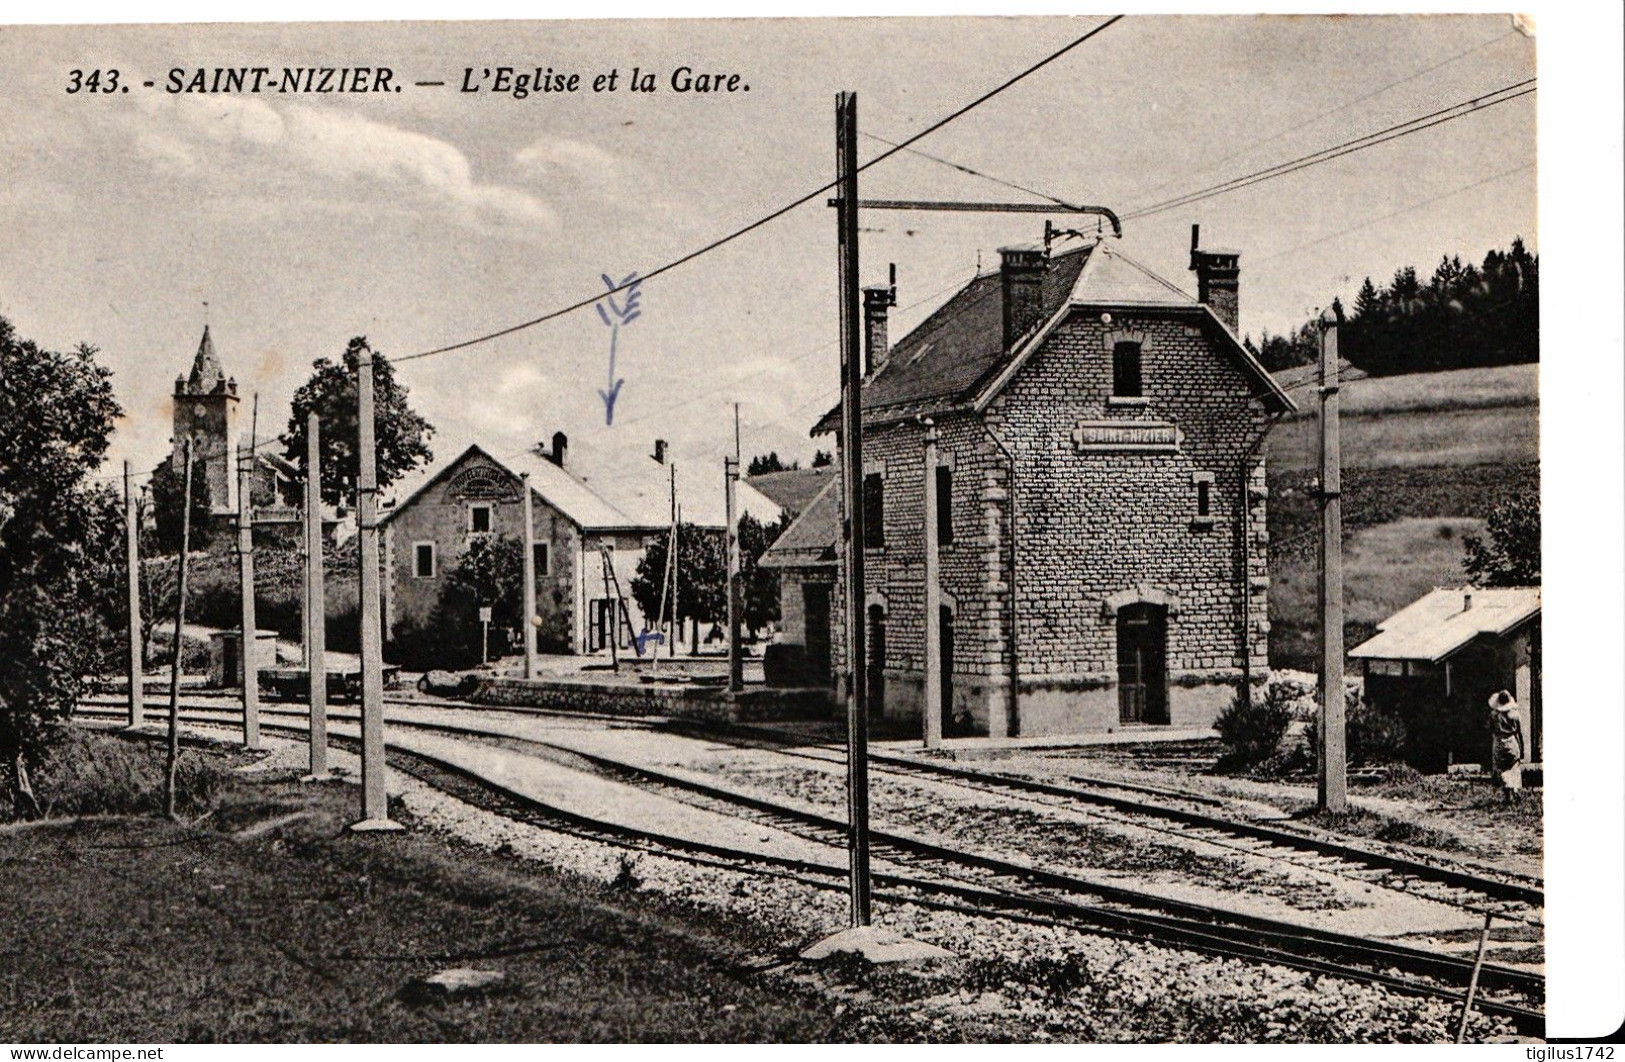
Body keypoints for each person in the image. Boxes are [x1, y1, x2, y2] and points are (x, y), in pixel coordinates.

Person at [1488, 690, 1526, 792]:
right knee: (1514, 766)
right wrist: (1522, 747)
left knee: (1501, 768)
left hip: (1499, 742)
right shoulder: (1515, 715)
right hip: (1512, 741)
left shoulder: (1494, 715)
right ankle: (1515, 788)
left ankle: (1507, 790)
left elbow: (1491, 729)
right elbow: (1519, 732)